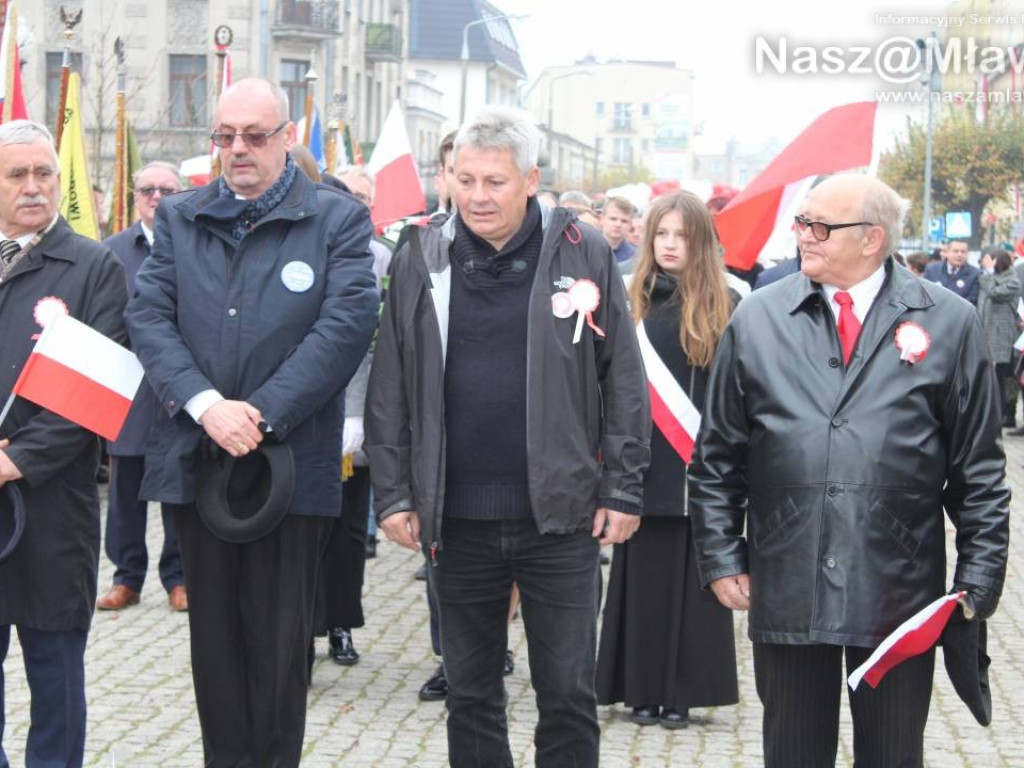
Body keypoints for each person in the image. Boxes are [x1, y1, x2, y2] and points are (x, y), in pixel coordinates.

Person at [690, 175, 1010, 767]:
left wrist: (979, 578)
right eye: (802, 222)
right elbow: (716, 458)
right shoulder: (758, 318)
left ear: (872, 239)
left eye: (820, 226)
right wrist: (721, 553)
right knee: (792, 753)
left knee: (892, 755)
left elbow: (980, 471)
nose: (803, 236)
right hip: (786, 578)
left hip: (897, 585)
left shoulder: (949, 321)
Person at [365, 106, 650, 767]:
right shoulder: (420, 254)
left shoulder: (585, 250)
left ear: (531, 179)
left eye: (494, 182)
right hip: (455, 520)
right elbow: (390, 386)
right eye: (464, 180)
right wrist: (395, 494)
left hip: (560, 518)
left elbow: (624, 383)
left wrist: (624, 490)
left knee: (568, 696)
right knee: (470, 696)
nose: (476, 197)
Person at [124, 78, 379, 766]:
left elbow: (347, 324)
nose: (238, 149)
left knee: (277, 647)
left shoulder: (337, 220)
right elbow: (148, 317)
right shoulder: (180, 217)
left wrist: (261, 415)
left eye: (254, 135)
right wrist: (208, 406)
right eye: (225, 135)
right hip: (198, 462)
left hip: (289, 473)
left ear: (286, 138)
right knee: (215, 652)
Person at [0, 120, 129, 768]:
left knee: (56, 681)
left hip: (52, 513)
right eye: (16, 174)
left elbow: (91, 397)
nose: (32, 187)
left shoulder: (95, 268)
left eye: (43, 173)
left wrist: (13, 460)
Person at [595, 191, 739, 729]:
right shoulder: (624, 298)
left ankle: (683, 690)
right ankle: (639, 688)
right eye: (662, 234)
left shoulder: (727, 302)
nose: (671, 244)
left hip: (700, 467)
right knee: (641, 584)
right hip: (641, 466)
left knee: (696, 586)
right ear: (646, 237)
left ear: (700, 239)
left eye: (682, 234)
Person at [97, 160, 187, 613]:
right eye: (147, 189)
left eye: (167, 190)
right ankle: (126, 577)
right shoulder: (112, 251)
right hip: (129, 389)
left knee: (177, 488)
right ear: (134, 196)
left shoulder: (196, 245)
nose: (156, 197)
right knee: (125, 491)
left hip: (179, 389)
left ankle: (179, 577)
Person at [312, 164, 393, 669]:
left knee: (346, 535)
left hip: (349, 421)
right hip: (297, 417)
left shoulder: (376, 257)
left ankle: (341, 624)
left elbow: (373, 342)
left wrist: (359, 413)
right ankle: (300, 628)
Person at [976, 248, 1021, 429]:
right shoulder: (990, 278)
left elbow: (994, 293)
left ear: (997, 261)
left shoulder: (1012, 281)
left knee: (999, 378)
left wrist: (986, 273)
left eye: (988, 259)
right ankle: (991, 415)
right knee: (989, 378)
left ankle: (1001, 415)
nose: (984, 263)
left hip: (1001, 337)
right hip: (985, 333)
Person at [924, 239, 980, 304]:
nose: (959, 255)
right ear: (947, 253)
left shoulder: (975, 274)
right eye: (956, 251)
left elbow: (972, 300)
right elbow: (925, 295)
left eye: (963, 252)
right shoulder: (932, 269)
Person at [601, 195, 637, 262]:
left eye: (624, 221)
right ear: (602, 219)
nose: (618, 224)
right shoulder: (587, 250)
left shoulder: (635, 257)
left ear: (630, 225)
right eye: (613, 219)